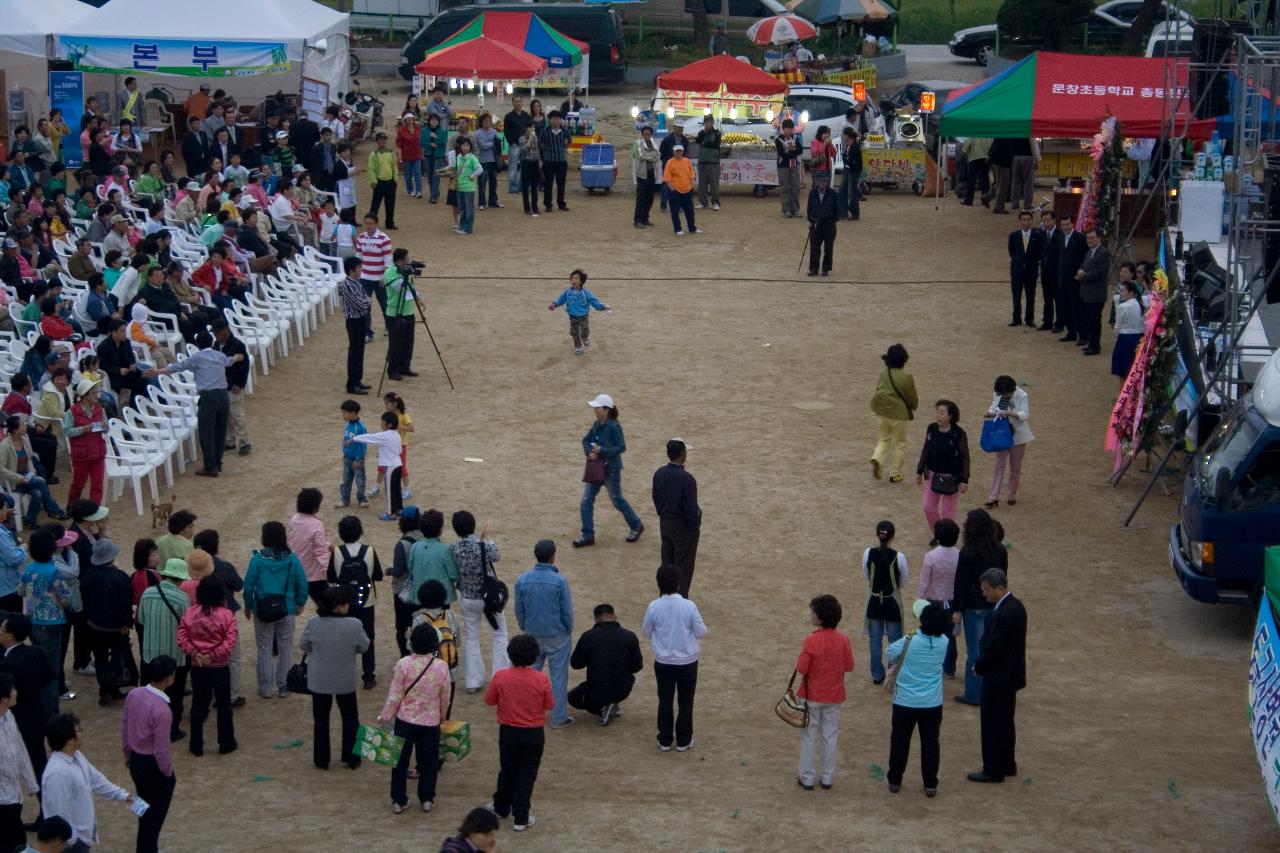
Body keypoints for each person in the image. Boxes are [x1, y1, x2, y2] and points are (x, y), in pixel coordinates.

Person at [378, 622, 450, 814]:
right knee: (429, 761)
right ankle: (427, 799)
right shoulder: (441, 667)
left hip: (405, 720)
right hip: (430, 721)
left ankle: (398, 800)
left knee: (400, 761)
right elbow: (445, 695)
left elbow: (395, 694)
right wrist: (442, 716)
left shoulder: (404, 664)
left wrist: (385, 716)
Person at [484, 633, 552, 832]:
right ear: (534, 656)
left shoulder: (501, 676)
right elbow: (550, 704)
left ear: (510, 655)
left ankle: (501, 807)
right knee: (527, 774)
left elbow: (489, 700)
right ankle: (521, 817)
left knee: (507, 769)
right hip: (533, 733)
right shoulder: (541, 679)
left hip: (509, 732)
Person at [40, 713, 136, 851]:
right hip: (71, 844)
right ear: (69, 739)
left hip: (80, 839)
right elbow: (59, 813)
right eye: (79, 730)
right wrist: (73, 840)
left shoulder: (77, 756)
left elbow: (97, 781)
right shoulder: (58, 773)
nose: (82, 733)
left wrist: (124, 796)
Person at [299, 585, 370, 770]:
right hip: (344, 680)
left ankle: (322, 759)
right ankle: (351, 757)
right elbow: (364, 647)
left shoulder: (314, 622)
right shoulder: (354, 624)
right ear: (339, 606)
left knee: (321, 720)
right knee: (350, 718)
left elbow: (304, 645)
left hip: (319, 680)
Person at [967, 568, 1026, 784]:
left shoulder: (1004, 613)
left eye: (986, 590)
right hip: (1010, 676)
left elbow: (993, 648)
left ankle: (993, 768)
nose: (984, 594)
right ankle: (1007, 763)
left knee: (992, 723)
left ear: (999, 588)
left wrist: (979, 666)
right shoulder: (1016, 607)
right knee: (1005, 722)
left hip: (998, 677)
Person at [886, 601, 950, 796]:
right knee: (931, 743)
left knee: (900, 741)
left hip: (905, 701)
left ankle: (895, 780)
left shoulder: (910, 640)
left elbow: (889, 652)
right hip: (932, 702)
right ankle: (930, 783)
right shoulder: (945, 641)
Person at [158, 333, 244, 477]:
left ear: (198, 345)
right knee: (220, 430)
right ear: (211, 342)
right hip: (223, 395)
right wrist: (237, 357)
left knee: (206, 432)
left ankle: (210, 466)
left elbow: (177, 367)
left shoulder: (196, 358)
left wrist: (157, 371)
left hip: (209, 397)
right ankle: (217, 462)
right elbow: (230, 361)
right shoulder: (219, 355)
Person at [642, 563, 707, 752]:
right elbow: (702, 631)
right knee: (686, 701)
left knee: (664, 699)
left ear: (658, 584)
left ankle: (664, 739)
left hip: (663, 662)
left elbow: (646, 633)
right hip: (688, 662)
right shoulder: (689, 606)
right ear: (678, 583)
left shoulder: (654, 606)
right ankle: (684, 739)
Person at [241, 521, 308, 700]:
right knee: (285, 647)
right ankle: (284, 686)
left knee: (264, 648)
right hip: (287, 609)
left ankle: (265, 688)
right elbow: (302, 583)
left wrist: (248, 605)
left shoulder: (258, 560)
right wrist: (300, 603)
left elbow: (248, 586)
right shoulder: (292, 559)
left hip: (263, 609)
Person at [794, 594, 854, 791]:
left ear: (820, 617)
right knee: (830, 735)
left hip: (811, 696)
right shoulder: (843, 639)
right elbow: (849, 666)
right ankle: (827, 777)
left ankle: (807, 777)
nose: (811, 615)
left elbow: (802, 668)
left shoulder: (811, 640)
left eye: (813, 613)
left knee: (808, 736)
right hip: (834, 695)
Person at [121, 654, 177, 853]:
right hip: (153, 765)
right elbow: (162, 749)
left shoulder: (134, 694)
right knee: (155, 815)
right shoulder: (163, 710)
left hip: (136, 760)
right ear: (170, 677)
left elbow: (125, 726)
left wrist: (128, 754)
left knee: (143, 807)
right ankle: (147, 849)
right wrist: (168, 773)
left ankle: (147, 847)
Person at [514, 539, 573, 729]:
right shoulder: (560, 581)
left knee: (528, 675)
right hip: (557, 634)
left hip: (532, 634)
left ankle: (526, 714)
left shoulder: (522, 579)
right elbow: (567, 611)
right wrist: (567, 629)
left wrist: (525, 627)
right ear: (553, 556)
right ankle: (558, 718)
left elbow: (519, 609)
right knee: (558, 677)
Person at [951, 508, 1007, 706]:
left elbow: (961, 582)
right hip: (994, 605)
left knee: (974, 651)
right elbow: (1002, 577)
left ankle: (974, 694)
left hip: (973, 606)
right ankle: (990, 690)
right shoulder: (1000, 549)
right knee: (990, 647)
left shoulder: (968, 552)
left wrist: (957, 608)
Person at [176, 575, 237, 757]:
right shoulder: (227, 615)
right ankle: (226, 742)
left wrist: (196, 654)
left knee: (198, 704)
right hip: (219, 666)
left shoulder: (190, 613)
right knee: (224, 705)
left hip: (198, 666)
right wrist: (213, 655)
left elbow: (181, 638)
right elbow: (229, 641)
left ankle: (196, 745)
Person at [449, 511, 507, 694]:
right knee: (500, 636)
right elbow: (496, 556)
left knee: (472, 638)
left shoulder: (454, 549)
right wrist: (486, 538)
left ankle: (472, 681)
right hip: (488, 598)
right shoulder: (484, 545)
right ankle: (501, 679)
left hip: (468, 598)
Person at [576, 394, 644, 547]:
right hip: (597, 468)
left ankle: (636, 525)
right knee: (586, 501)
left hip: (611, 470)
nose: (595, 410)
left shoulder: (614, 426)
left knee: (617, 500)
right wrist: (590, 452)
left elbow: (621, 447)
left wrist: (602, 451)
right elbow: (585, 441)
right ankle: (588, 535)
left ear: (606, 410)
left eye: (597, 407)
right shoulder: (596, 424)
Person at [18, 529, 71, 719]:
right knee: (52, 670)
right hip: (53, 622)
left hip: (33, 621)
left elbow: (20, 590)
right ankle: (51, 712)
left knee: (40, 665)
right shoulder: (54, 572)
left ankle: (43, 707)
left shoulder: (29, 569)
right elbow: (65, 599)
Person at [0, 613, 57, 788]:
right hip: (36, 715)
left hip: (17, 720)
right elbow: (49, 676)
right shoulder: (35, 652)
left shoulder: (6, 665)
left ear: (9, 635)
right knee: (39, 762)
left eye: (1, 628)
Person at [191, 529, 245, 708]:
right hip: (225, 616)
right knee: (232, 657)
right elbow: (238, 585)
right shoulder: (224, 566)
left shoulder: (191, 568)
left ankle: (211, 694)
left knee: (206, 654)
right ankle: (231, 695)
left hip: (201, 618)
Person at [137, 559, 189, 740]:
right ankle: (172, 730)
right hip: (174, 655)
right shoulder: (183, 599)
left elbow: (141, 620)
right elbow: (186, 626)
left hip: (150, 653)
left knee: (149, 694)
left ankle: (147, 729)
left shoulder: (148, 593)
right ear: (180, 579)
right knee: (174, 694)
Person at [328, 515, 382, 689]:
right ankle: (368, 676)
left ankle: (344, 674)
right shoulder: (369, 550)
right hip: (366, 601)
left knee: (343, 638)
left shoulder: (337, 551)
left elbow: (331, 576)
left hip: (343, 603)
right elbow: (378, 576)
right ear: (360, 531)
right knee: (368, 638)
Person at [569, 603, 642, 726]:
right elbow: (637, 666)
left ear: (596, 619)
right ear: (614, 616)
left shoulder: (588, 636)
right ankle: (611, 704)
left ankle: (603, 708)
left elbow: (576, 664)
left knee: (573, 697)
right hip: (623, 688)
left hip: (597, 688)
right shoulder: (630, 636)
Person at [79, 539, 132, 706]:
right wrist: (126, 624)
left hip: (95, 625)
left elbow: (85, 599)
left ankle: (105, 689)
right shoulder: (120, 577)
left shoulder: (88, 575)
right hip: (116, 627)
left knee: (100, 658)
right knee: (117, 657)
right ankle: (110, 685)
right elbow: (125, 603)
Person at [651, 438, 701, 598]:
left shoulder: (659, 473)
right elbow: (691, 510)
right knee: (683, 566)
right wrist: (695, 524)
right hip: (683, 528)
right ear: (683, 455)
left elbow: (656, 498)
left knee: (667, 562)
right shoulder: (687, 479)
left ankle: (664, 595)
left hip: (665, 524)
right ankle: (680, 598)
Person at [915, 400, 970, 540]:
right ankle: (937, 533)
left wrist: (964, 480)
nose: (938, 415)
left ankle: (946, 539)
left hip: (953, 478)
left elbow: (965, 457)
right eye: (937, 412)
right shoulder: (932, 428)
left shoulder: (959, 433)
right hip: (933, 475)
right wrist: (919, 470)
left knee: (948, 513)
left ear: (951, 416)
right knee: (928, 507)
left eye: (942, 412)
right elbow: (926, 449)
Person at [862, 520, 908, 685]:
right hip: (891, 602)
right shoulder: (899, 557)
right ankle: (892, 673)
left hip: (874, 601)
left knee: (875, 639)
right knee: (895, 639)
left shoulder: (868, 553)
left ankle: (877, 674)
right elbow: (903, 582)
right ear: (892, 537)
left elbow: (867, 576)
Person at [0, 416, 65, 528]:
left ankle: (30, 520)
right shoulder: (5, 445)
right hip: (13, 482)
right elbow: (1, 468)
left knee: (37, 493)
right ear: (15, 429)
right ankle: (53, 509)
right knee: (41, 481)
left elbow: (30, 459)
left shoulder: (24, 439)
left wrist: (32, 471)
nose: (26, 426)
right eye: (22, 425)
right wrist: (18, 478)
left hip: (27, 479)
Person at [0, 671, 38, 853]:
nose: (16, 691)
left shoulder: (9, 716)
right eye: (13, 689)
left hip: (14, 796)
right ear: (4, 698)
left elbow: (20, 749)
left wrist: (31, 783)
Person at [917, 519, 961, 678]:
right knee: (950, 637)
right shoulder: (960, 555)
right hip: (952, 601)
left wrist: (918, 599)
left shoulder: (931, 556)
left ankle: (932, 664)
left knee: (930, 634)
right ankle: (949, 668)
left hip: (933, 602)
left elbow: (924, 581)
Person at [869, 344, 918, 483]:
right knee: (900, 443)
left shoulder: (884, 373)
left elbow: (878, 388)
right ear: (904, 359)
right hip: (899, 414)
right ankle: (895, 473)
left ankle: (877, 458)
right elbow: (911, 396)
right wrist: (913, 407)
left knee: (884, 439)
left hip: (882, 411)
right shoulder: (906, 377)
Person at [984, 375, 1033, 508]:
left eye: (1005, 394)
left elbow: (1025, 414)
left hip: (1018, 437)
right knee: (998, 466)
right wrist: (990, 413)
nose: (1003, 396)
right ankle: (993, 497)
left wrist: (1010, 413)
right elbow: (994, 407)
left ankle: (1012, 494)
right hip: (1002, 435)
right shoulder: (998, 392)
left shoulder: (1022, 395)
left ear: (1012, 390)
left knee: (1015, 468)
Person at [352, 412, 403, 521]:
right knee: (396, 488)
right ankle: (399, 509)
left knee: (389, 490)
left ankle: (390, 513)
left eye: (382, 422)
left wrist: (354, 438)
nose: (381, 424)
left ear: (389, 425)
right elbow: (399, 450)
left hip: (390, 467)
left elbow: (370, 437)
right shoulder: (397, 434)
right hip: (398, 465)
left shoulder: (385, 435)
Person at [64, 380, 108, 504]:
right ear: (85, 395)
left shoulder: (100, 409)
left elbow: (106, 429)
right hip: (81, 455)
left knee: (97, 485)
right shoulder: (72, 411)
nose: (97, 395)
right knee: (78, 484)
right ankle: (71, 506)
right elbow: (67, 431)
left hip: (98, 452)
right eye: (94, 393)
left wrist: (106, 426)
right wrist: (83, 429)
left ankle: (94, 511)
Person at [548, 269, 610, 356]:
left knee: (584, 329)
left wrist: (602, 307)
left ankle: (584, 337)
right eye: (572, 278)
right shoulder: (568, 292)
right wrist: (554, 304)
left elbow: (594, 302)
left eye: (576, 279)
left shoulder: (586, 293)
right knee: (574, 332)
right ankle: (578, 347)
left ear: (581, 282)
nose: (574, 280)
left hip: (583, 315)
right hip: (572, 315)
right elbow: (561, 299)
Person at [210, 321, 250, 455]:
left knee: (237, 415)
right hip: (221, 385)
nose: (216, 335)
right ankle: (229, 441)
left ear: (226, 331)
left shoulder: (237, 345)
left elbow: (244, 365)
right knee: (224, 415)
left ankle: (244, 442)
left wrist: (240, 383)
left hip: (233, 386)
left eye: (218, 333)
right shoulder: (216, 344)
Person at [287, 488, 331, 606]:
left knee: (291, 607)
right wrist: (329, 573)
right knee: (328, 607)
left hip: (295, 571)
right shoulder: (317, 525)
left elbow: (299, 541)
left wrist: (327, 545)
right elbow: (321, 553)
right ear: (315, 506)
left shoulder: (294, 519)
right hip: (314, 576)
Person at [1075, 229, 1111, 356]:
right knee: (1088, 320)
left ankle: (1095, 346)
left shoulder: (1103, 253)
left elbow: (1100, 272)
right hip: (1087, 292)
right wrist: (1080, 271)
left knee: (1094, 321)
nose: (1090, 240)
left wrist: (1084, 275)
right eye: (1088, 238)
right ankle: (1091, 343)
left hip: (1096, 294)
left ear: (1099, 238)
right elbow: (1084, 266)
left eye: (1092, 237)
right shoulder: (1090, 252)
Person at [383, 249, 417, 380]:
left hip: (408, 310)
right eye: (407, 257)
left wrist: (418, 298)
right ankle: (393, 370)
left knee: (408, 342)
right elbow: (398, 288)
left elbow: (410, 288)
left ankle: (405, 367)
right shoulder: (390, 272)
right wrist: (404, 274)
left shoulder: (407, 270)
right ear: (400, 259)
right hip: (395, 312)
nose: (409, 259)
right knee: (396, 343)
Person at [356, 215, 392, 337]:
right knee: (365, 306)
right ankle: (367, 332)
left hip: (379, 279)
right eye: (366, 223)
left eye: (371, 223)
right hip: (365, 277)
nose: (368, 226)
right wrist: (357, 275)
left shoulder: (384, 239)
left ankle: (389, 327)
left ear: (376, 224)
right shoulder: (361, 238)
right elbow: (359, 257)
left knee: (385, 304)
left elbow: (388, 260)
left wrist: (384, 277)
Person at [340, 257, 372, 395]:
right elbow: (361, 304)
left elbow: (366, 299)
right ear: (351, 269)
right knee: (355, 352)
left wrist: (367, 303)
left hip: (360, 319)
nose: (361, 269)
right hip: (354, 321)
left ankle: (357, 381)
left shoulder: (356, 282)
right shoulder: (348, 285)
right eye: (359, 267)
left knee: (359, 352)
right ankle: (352, 384)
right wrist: (367, 304)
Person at [1007, 210, 1043, 327]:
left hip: (1031, 271)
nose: (1026, 222)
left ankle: (1029, 319)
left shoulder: (1037, 236)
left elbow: (1039, 253)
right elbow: (1011, 252)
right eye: (1024, 220)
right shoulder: (1014, 235)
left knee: (1030, 296)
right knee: (1016, 296)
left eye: (1028, 220)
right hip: (1017, 271)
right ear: (1020, 221)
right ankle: (1016, 318)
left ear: (1031, 221)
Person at [1056, 214, 1087, 343]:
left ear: (1073, 224)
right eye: (1063, 225)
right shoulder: (1060, 237)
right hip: (1062, 279)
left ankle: (1083, 335)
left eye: (1068, 224)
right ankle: (1071, 332)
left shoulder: (1080, 238)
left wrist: (1081, 271)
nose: (1065, 227)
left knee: (1076, 308)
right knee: (1065, 307)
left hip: (1075, 279)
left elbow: (1085, 257)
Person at [662, 144, 699, 236]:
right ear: (673, 152)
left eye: (680, 151)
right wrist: (673, 190)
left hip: (687, 190)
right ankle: (678, 229)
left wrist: (691, 186)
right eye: (676, 151)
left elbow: (692, 175)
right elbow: (667, 178)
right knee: (675, 211)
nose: (678, 152)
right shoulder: (670, 162)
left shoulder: (687, 161)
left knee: (690, 211)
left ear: (683, 151)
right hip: (675, 191)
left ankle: (692, 228)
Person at [806, 171, 839, 276]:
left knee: (828, 248)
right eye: (820, 181)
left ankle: (825, 269)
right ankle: (814, 269)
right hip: (816, 224)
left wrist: (833, 220)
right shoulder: (812, 193)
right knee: (814, 248)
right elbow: (809, 209)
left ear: (827, 182)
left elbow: (838, 210)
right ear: (816, 182)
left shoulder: (833, 193)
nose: (822, 183)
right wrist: (811, 220)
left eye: (825, 181)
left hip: (829, 224)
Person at [1113, 279, 1145, 381]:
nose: (1121, 293)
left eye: (1123, 291)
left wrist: (1116, 337)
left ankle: (1123, 395)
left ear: (1131, 293)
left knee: (1123, 370)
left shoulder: (1123, 306)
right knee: (1135, 369)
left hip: (1125, 338)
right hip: (1139, 338)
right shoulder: (1142, 306)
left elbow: (1118, 325)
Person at [539, 111, 571, 213]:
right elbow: (541, 145)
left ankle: (561, 203)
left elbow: (569, 141)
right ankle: (548, 205)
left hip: (561, 160)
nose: (555, 121)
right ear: (550, 120)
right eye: (553, 118)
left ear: (560, 120)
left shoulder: (565, 130)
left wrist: (565, 145)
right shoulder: (544, 131)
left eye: (557, 118)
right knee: (548, 184)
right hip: (549, 161)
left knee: (561, 184)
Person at [367, 133, 399, 230]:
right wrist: (373, 181)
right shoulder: (374, 154)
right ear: (377, 141)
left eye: (384, 139)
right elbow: (371, 168)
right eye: (381, 140)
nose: (383, 141)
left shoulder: (391, 153)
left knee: (390, 204)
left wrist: (395, 179)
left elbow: (394, 166)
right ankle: (371, 223)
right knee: (375, 205)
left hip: (390, 181)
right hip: (379, 182)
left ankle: (389, 223)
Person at [631, 125, 660, 228]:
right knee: (641, 198)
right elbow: (641, 155)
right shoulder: (638, 144)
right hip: (642, 174)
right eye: (645, 134)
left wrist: (650, 156)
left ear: (651, 135)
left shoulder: (654, 144)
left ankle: (645, 218)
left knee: (650, 197)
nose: (647, 136)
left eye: (649, 134)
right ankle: (638, 220)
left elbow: (657, 155)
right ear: (642, 135)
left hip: (652, 173)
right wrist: (652, 155)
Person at [453, 138, 482, 237]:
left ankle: (468, 228)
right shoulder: (458, 157)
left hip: (469, 187)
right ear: (460, 147)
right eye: (463, 145)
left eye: (467, 146)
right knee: (462, 208)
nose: (465, 147)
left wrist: (472, 176)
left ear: (470, 147)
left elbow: (479, 169)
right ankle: (462, 226)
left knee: (469, 208)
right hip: (459, 186)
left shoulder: (472, 157)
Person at [503, 96, 531, 195]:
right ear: (513, 103)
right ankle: (513, 188)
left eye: (520, 101)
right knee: (513, 168)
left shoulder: (525, 115)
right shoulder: (508, 116)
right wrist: (511, 142)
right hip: (514, 145)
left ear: (522, 102)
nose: (518, 103)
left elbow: (529, 127)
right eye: (516, 101)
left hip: (524, 145)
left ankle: (523, 186)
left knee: (525, 167)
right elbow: (506, 132)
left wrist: (528, 140)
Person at [1037, 210, 1060, 331]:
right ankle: (1048, 321)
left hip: (1057, 272)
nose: (1046, 223)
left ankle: (1059, 323)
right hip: (1045, 271)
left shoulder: (1060, 234)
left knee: (1058, 298)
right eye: (1044, 221)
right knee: (1047, 298)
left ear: (1054, 220)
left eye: (1048, 220)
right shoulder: (1041, 234)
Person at [474, 113, 501, 210]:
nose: (488, 123)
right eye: (485, 121)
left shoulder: (494, 131)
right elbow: (483, 146)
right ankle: (481, 202)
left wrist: (493, 144)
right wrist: (493, 143)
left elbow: (498, 144)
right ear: (481, 122)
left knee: (493, 182)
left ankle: (493, 201)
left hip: (493, 160)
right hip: (482, 161)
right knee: (482, 183)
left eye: (489, 121)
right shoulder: (477, 133)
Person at [694, 115, 722, 211]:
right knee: (702, 184)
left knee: (714, 184)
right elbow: (697, 140)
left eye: (709, 122)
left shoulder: (717, 133)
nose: (708, 124)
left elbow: (715, 144)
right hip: (702, 161)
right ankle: (703, 202)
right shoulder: (701, 132)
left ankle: (716, 203)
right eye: (706, 122)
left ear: (712, 123)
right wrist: (703, 137)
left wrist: (704, 143)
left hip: (714, 162)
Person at [396, 114, 424, 200]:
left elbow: (422, 139)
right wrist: (399, 154)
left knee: (418, 173)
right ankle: (410, 190)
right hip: (406, 155)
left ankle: (419, 191)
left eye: (410, 118)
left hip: (417, 154)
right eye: (407, 118)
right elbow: (399, 143)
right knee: (407, 175)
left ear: (413, 118)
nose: (409, 120)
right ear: (405, 120)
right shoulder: (401, 131)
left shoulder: (419, 128)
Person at [838, 125, 862, 220]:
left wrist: (848, 161)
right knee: (842, 191)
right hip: (847, 170)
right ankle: (843, 212)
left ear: (848, 136)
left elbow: (855, 161)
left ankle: (854, 214)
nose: (844, 137)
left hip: (853, 171)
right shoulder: (849, 145)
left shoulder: (855, 146)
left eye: (845, 136)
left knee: (852, 193)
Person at [960, 136, 990, 206]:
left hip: (974, 158)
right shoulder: (988, 134)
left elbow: (966, 147)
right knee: (985, 180)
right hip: (985, 158)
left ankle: (968, 201)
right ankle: (985, 200)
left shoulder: (973, 134)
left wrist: (965, 150)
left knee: (971, 180)